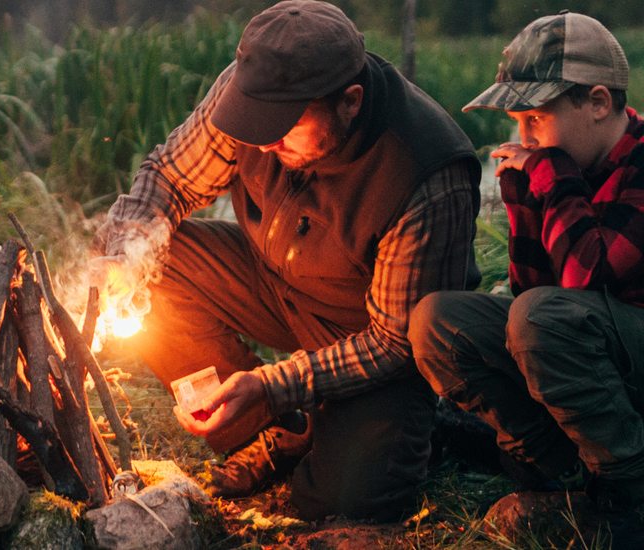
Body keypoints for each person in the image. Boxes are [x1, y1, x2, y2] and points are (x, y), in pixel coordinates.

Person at [89, 0, 481, 521]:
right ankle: (274, 431)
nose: (265, 141)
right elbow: (168, 176)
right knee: (159, 264)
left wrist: (274, 384)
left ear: (350, 101)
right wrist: (125, 252)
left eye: (285, 127)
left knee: (342, 502)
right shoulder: (253, 100)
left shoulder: (424, 174)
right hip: (274, 282)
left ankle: (431, 428)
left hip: (370, 335)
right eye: (259, 123)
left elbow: (393, 344)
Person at [409, 11, 642, 545]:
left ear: (599, 102)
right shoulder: (566, 162)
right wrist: (522, 201)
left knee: (544, 318)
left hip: (635, 365)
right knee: (437, 322)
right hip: (593, 350)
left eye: (534, 118)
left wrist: (549, 173)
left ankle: (629, 488)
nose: (523, 137)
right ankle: (556, 465)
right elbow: (529, 293)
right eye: (517, 121)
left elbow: (587, 279)